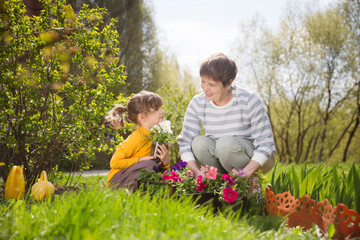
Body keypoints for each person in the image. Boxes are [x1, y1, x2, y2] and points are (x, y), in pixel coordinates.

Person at [178, 53, 275, 180]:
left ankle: (250, 184)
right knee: (197, 144)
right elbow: (185, 142)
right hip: (221, 154)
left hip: (257, 157)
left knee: (225, 145)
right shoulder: (197, 102)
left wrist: (245, 172)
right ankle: (221, 186)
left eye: (211, 84)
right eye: (203, 81)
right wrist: (196, 171)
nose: (205, 89)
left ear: (229, 83)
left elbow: (265, 144)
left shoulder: (249, 100)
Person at [106, 91, 170, 191]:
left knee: (162, 171)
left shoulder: (159, 135)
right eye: (156, 109)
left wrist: (166, 162)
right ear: (142, 117)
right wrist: (139, 160)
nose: (162, 112)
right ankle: (130, 193)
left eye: (161, 108)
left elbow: (159, 167)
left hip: (137, 175)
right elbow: (114, 162)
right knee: (149, 165)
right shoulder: (137, 138)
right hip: (117, 181)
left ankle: (150, 193)